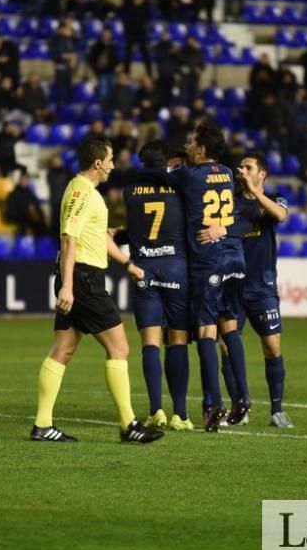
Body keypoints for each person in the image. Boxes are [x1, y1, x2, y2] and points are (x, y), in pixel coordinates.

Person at [31, 136, 164, 444]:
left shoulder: (87, 192)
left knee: (62, 350)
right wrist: (68, 286)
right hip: (83, 280)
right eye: (111, 159)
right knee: (119, 347)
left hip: (81, 277)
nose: (114, 165)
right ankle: (129, 424)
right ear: (98, 163)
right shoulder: (81, 192)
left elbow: (100, 238)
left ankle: (42, 425)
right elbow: (69, 239)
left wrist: (127, 264)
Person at [136, 122, 248, 431]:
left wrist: (136, 170)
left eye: (190, 142)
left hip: (206, 262)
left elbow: (155, 174)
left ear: (201, 149)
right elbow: (243, 213)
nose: (186, 146)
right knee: (231, 329)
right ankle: (243, 396)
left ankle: (212, 405)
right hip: (234, 257)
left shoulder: (189, 175)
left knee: (206, 335)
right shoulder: (227, 172)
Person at [199, 153, 294, 428]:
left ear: (261, 174)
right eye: (239, 166)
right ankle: (240, 408)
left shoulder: (274, 199)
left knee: (272, 346)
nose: (241, 170)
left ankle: (277, 410)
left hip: (262, 287)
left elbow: (281, 216)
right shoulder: (230, 203)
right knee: (227, 347)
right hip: (233, 285)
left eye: (247, 167)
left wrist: (255, 193)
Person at [124, 142, 192, 431]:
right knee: (177, 341)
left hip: (144, 270)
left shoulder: (129, 193)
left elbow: (135, 230)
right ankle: (181, 413)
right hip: (177, 268)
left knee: (150, 344)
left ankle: (156, 411)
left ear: (141, 162)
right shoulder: (180, 191)